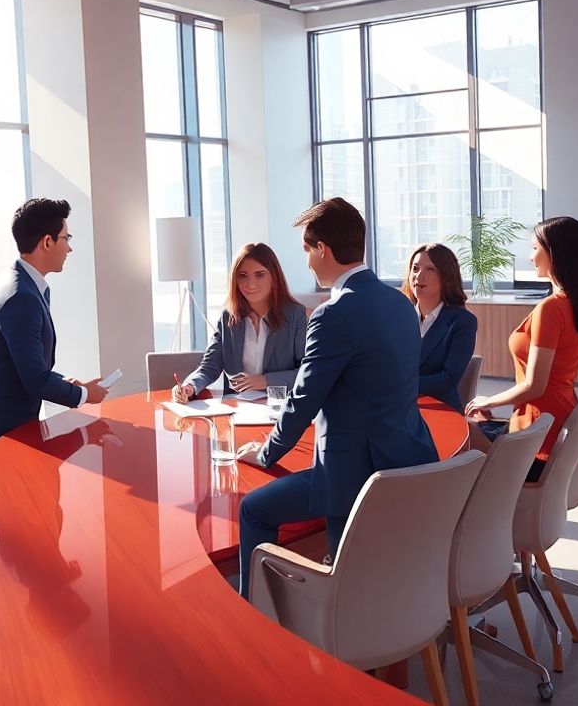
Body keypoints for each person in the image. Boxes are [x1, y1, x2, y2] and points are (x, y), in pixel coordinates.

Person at [233, 198, 438, 597]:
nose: (308, 262)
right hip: (410, 461)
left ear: (322, 249)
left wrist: (266, 452)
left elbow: (304, 399)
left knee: (254, 508)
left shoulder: (333, 314)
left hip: (356, 478)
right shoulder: (401, 304)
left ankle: (255, 625)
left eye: (307, 251)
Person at [0, 198, 108, 463]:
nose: (70, 248)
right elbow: (35, 380)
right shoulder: (21, 297)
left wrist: (66, 382)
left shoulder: (21, 282)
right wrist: (85, 396)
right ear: (47, 242)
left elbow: (25, 365)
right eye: (66, 238)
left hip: (11, 424)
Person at [464, 216, 578, 483]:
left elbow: (535, 386)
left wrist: (487, 400)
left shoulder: (551, 309)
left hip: (537, 438)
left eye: (535, 248)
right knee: (478, 427)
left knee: (461, 437)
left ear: (554, 253)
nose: (531, 256)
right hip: (553, 422)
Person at [172, 243, 307, 403]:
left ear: (274, 277)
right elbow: (210, 366)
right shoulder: (228, 316)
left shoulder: (295, 315)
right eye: (243, 275)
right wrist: (190, 386)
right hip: (237, 405)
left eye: (260, 275)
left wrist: (265, 380)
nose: (250, 284)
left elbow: (307, 370)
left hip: (280, 406)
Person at [401, 243, 477, 412]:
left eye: (430, 269)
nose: (419, 276)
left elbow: (447, 380)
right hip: (398, 406)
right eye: (415, 268)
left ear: (446, 276)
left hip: (439, 409)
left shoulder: (463, 322)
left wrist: (399, 383)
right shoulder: (398, 317)